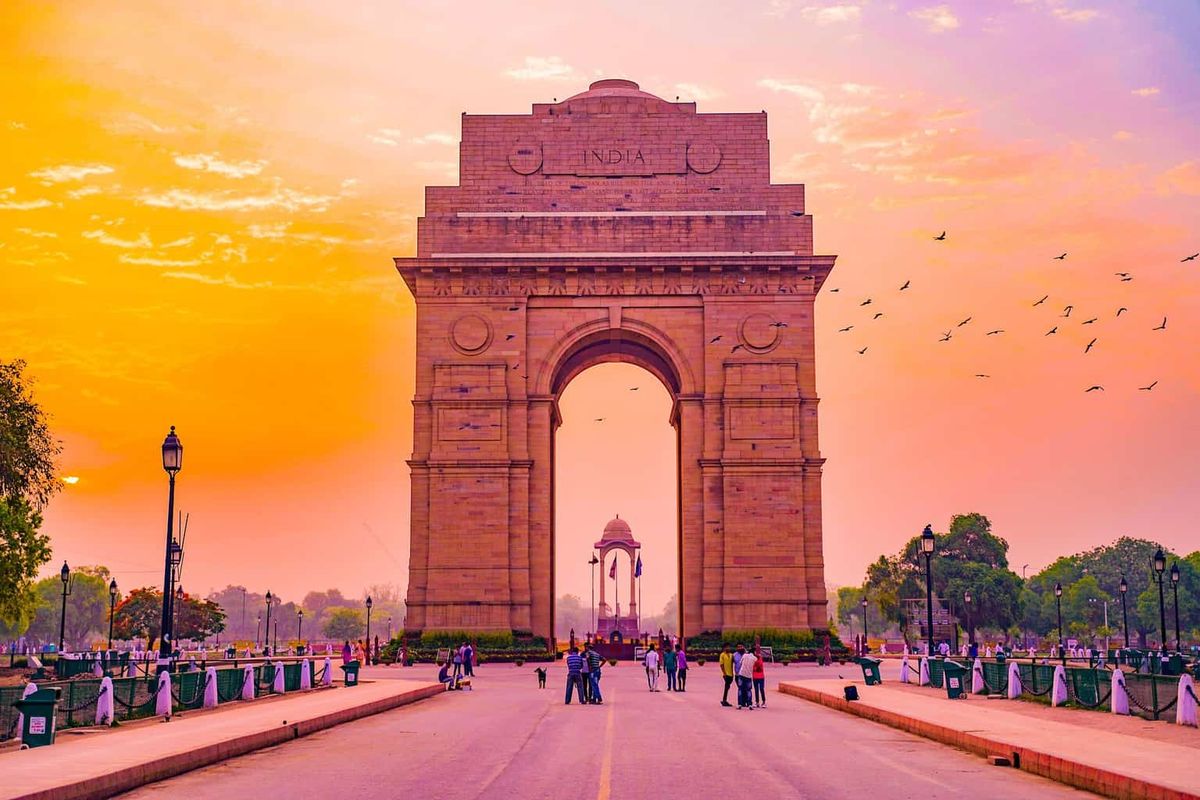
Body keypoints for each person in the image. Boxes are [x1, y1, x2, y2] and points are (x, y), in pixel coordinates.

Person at [737, 645, 757, 710]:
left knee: (740, 689)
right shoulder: (755, 658)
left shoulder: (745, 655)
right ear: (754, 652)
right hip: (749, 675)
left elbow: (740, 663)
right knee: (749, 690)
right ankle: (750, 704)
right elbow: (755, 667)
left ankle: (739, 704)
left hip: (741, 674)